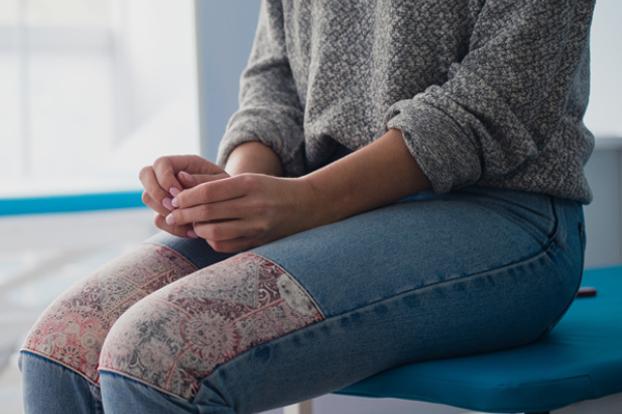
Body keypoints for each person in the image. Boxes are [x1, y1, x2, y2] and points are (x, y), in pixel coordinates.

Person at [19, 1, 595, 413]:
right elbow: (275, 81)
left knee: (157, 359)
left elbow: (494, 102)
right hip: (318, 208)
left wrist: (305, 202)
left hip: (499, 219)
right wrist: (238, 194)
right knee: (59, 351)